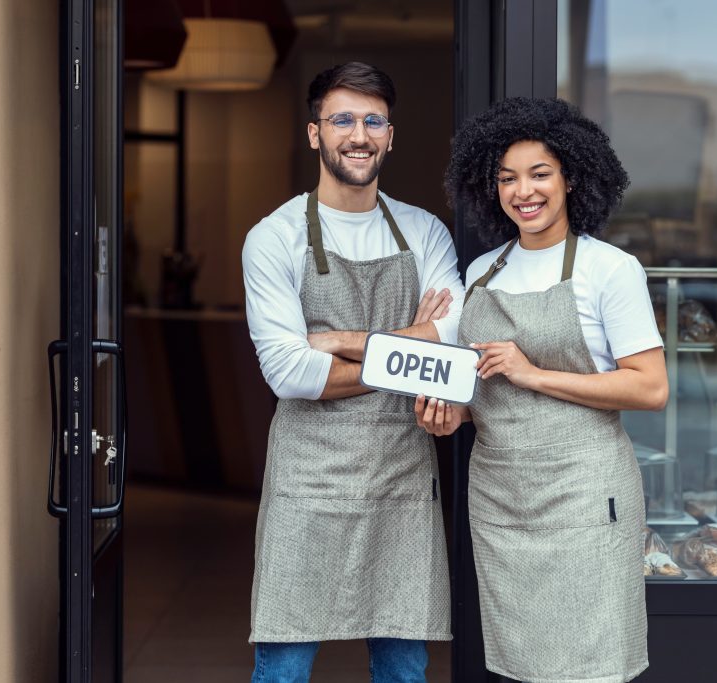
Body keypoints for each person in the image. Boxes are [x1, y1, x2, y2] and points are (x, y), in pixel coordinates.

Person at [416, 97, 668, 683]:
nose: (522, 192)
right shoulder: (481, 273)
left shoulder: (610, 269)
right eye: (507, 178)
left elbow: (650, 387)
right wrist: (451, 415)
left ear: (572, 178)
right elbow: (481, 390)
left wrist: (531, 373)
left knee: (591, 663)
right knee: (521, 663)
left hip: (584, 493)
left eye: (539, 174)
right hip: (504, 496)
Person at [242, 61, 463, 682]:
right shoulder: (274, 238)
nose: (358, 134)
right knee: (283, 665)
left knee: (404, 670)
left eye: (373, 121)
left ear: (391, 135)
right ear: (314, 133)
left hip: (400, 479)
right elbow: (289, 374)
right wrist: (412, 351)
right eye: (341, 119)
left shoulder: (424, 231)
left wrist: (343, 341)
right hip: (308, 481)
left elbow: (453, 347)